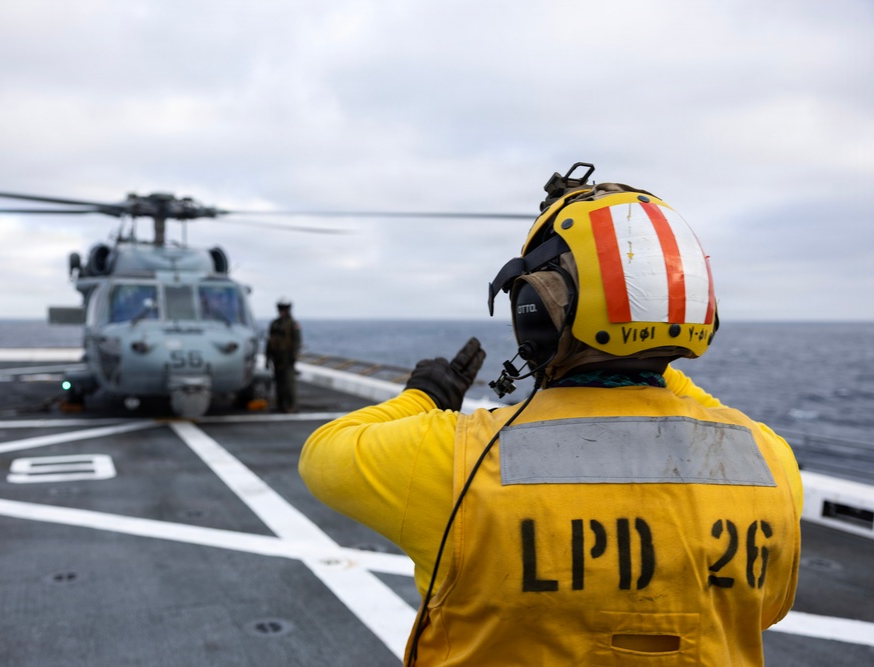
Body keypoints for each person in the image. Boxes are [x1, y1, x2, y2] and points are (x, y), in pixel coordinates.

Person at [299, 164, 802, 665]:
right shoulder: (773, 465)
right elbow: (765, 611)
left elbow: (325, 453)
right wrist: (644, 336)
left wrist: (427, 395)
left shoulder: (451, 459)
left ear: (533, 310)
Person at [266, 298, 301, 413]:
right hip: (276, 357)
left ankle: (291, 405)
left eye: (284, 308)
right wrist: (267, 358)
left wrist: (293, 356)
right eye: (281, 308)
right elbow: (269, 341)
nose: (282, 311)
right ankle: (280, 405)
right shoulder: (275, 323)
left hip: (287, 358)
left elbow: (297, 341)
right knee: (278, 382)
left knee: (289, 382)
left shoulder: (292, 324)